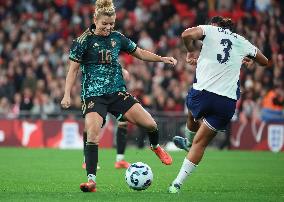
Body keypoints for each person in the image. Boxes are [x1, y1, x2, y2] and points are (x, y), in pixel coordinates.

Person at [61, 0, 176, 193]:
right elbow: (72, 71)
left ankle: (155, 146)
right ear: (95, 19)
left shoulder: (117, 37)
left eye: (111, 24)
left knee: (151, 125)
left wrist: (162, 58)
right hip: (93, 96)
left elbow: (139, 52)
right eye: (104, 23)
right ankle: (91, 180)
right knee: (93, 134)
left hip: (117, 93)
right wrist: (66, 95)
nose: (108, 27)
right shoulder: (82, 41)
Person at [168, 16, 268, 193]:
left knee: (192, 110)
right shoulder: (241, 41)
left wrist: (191, 51)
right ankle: (177, 184)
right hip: (226, 102)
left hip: (202, 95)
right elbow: (265, 61)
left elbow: (186, 34)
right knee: (201, 143)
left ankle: (188, 142)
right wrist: (247, 57)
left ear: (216, 26)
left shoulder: (210, 30)